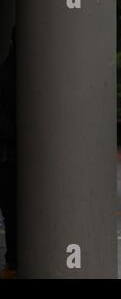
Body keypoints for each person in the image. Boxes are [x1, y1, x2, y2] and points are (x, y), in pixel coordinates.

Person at [0, 27, 16, 279]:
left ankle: (13, 262)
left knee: (13, 213)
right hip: (14, 154)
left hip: (9, 155)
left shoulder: (6, 70)